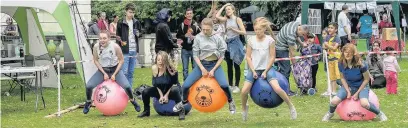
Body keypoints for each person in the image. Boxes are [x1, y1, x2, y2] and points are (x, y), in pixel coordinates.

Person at [173, 18, 236, 117]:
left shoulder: (218, 38)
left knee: (224, 85)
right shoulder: (198, 37)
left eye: (207, 29)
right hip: (201, 65)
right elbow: (195, 55)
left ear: (212, 28)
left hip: (214, 65)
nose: (205, 31)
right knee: (185, 86)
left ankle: (231, 101)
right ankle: (184, 102)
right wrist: (202, 68)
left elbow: (221, 57)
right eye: (203, 29)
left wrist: (213, 70)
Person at [240, 17, 297, 121]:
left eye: (259, 30)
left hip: (267, 68)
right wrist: (252, 71)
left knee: (277, 88)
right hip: (254, 69)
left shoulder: (270, 40)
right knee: (244, 91)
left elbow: (272, 57)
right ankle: (244, 110)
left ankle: (291, 106)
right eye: (256, 29)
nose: (257, 32)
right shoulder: (250, 40)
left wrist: (266, 71)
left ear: (264, 29)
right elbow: (248, 57)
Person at [322, 43, 388, 122]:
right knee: (333, 101)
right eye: (345, 52)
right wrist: (348, 91)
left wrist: (357, 93)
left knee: (364, 104)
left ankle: (380, 113)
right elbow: (342, 78)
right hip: (349, 86)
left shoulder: (361, 64)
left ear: (354, 53)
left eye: (350, 52)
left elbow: (366, 80)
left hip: (362, 86)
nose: (347, 54)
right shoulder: (341, 63)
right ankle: (330, 113)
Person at [83, 31, 140, 114]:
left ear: (109, 39)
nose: (102, 40)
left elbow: (121, 60)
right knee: (89, 86)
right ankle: (88, 102)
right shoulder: (96, 47)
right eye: (100, 38)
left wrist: (114, 74)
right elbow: (95, 60)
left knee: (127, 86)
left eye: (104, 38)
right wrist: (104, 73)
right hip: (103, 70)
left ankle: (132, 100)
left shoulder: (115, 46)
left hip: (115, 70)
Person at [137, 51, 185, 120]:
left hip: (172, 89)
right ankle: (146, 111)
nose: (160, 62)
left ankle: (181, 111)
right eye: (158, 60)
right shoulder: (155, 68)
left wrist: (166, 96)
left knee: (175, 89)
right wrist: (161, 96)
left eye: (162, 60)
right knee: (145, 91)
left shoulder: (171, 69)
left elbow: (173, 84)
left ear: (165, 60)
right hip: (161, 89)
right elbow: (156, 84)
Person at [216, 3, 246, 93]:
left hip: (236, 42)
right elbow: (217, 16)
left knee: (236, 64)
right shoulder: (225, 19)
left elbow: (244, 32)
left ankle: (236, 86)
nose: (227, 11)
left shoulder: (237, 19)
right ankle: (230, 85)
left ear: (233, 10)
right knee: (229, 65)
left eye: (229, 9)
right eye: (226, 10)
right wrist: (224, 6)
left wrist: (233, 29)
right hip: (228, 43)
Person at [274, 19, 309, 96]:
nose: (302, 36)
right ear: (299, 28)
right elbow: (291, 52)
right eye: (302, 34)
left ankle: (281, 88)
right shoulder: (291, 34)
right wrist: (294, 64)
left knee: (283, 69)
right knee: (286, 70)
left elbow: (297, 35)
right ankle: (286, 91)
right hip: (281, 49)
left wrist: (301, 43)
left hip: (281, 46)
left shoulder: (296, 25)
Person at [116, 3, 143, 88]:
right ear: (126, 11)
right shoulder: (121, 22)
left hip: (134, 50)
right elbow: (117, 37)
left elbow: (141, 33)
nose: (132, 14)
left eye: (133, 12)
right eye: (130, 12)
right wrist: (121, 44)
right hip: (125, 50)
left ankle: (129, 91)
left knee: (131, 72)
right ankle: (122, 90)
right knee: (124, 72)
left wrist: (138, 33)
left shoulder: (136, 22)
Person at [176, 8, 200, 80]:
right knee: (185, 69)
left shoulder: (195, 25)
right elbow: (178, 36)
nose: (189, 15)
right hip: (185, 50)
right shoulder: (182, 25)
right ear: (185, 15)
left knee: (195, 68)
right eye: (188, 14)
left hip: (194, 49)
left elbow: (201, 35)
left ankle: (194, 83)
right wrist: (185, 36)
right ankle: (186, 84)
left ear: (192, 14)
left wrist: (194, 37)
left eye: (190, 13)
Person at [322, 22, 341, 96]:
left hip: (336, 59)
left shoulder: (337, 38)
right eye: (329, 27)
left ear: (336, 30)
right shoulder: (327, 37)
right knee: (332, 76)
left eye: (331, 28)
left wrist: (327, 45)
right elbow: (323, 47)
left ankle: (345, 88)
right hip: (330, 59)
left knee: (338, 75)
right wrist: (327, 45)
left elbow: (334, 48)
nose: (329, 29)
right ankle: (333, 91)